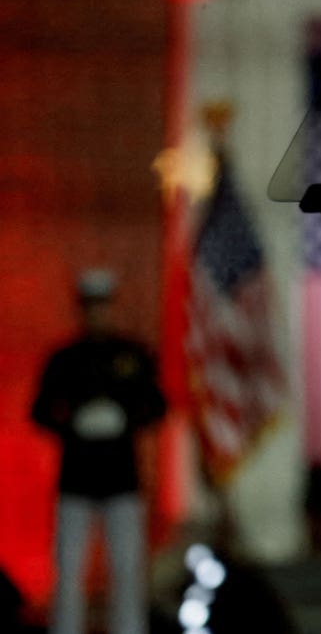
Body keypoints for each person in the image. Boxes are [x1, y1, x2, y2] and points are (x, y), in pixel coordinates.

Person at [32, 268, 166, 634]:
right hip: (76, 479)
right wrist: (72, 422)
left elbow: (156, 405)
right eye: (91, 307)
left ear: (111, 307)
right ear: (82, 310)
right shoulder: (64, 359)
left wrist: (124, 418)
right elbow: (40, 410)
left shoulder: (132, 355)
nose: (97, 314)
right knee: (69, 569)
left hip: (121, 478)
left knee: (126, 569)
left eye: (102, 306)